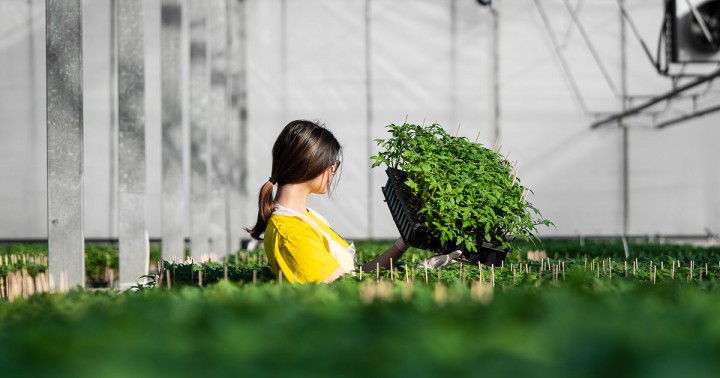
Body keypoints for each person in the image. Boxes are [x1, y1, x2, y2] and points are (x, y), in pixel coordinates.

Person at [246, 120, 408, 283]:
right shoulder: (291, 233)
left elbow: (354, 276)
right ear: (311, 163)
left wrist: (402, 244)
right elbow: (342, 290)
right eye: (332, 164)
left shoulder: (306, 217)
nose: (333, 171)